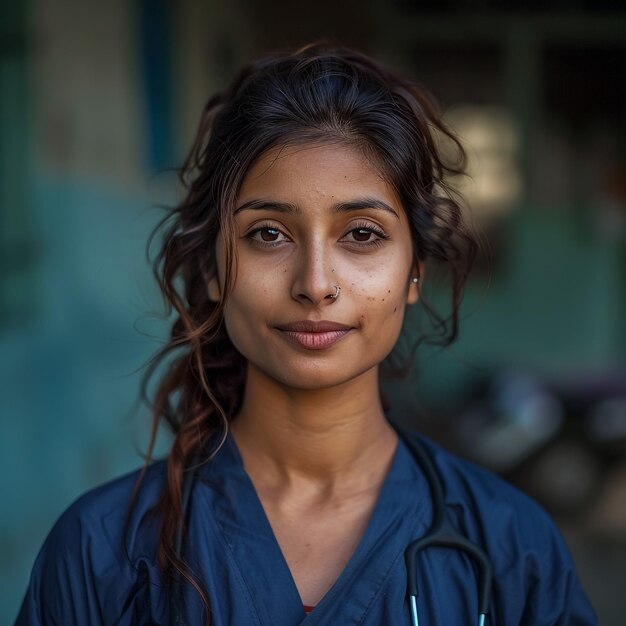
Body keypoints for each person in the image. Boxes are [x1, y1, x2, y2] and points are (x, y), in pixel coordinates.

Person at [16, 41, 596, 626]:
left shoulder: (510, 548)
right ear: (215, 270)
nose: (316, 284)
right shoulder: (100, 552)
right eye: (269, 234)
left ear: (415, 270)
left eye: (362, 234)